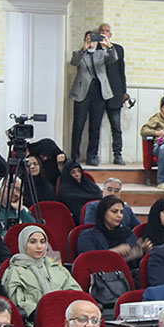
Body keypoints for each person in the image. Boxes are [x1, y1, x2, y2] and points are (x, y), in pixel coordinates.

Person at [3, 226, 81, 327]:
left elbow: (75, 293)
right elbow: (18, 303)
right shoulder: (15, 271)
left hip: (66, 320)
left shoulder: (56, 267)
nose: (39, 246)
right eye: (33, 242)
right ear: (23, 244)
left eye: (42, 242)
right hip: (34, 325)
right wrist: (47, 314)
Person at [69, 29, 119, 166]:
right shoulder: (79, 53)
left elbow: (114, 58)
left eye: (93, 39)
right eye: (89, 39)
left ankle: (92, 156)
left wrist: (109, 46)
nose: (91, 42)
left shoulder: (102, 54)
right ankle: (75, 156)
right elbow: (74, 62)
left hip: (99, 93)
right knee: (78, 125)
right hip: (82, 93)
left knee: (95, 126)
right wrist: (84, 48)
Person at [77, 196, 146, 264]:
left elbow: (136, 262)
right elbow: (88, 262)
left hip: (129, 271)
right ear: (103, 212)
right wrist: (113, 252)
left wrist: (143, 251)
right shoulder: (88, 236)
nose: (119, 215)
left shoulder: (127, 233)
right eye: (114, 211)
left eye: (121, 212)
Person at [96, 22, 128, 164]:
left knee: (116, 126)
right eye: (101, 30)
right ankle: (93, 155)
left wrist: (124, 91)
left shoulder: (118, 49)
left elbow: (122, 70)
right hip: (98, 92)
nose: (104, 32)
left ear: (110, 34)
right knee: (95, 126)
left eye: (106, 30)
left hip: (115, 92)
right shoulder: (94, 48)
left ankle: (118, 154)